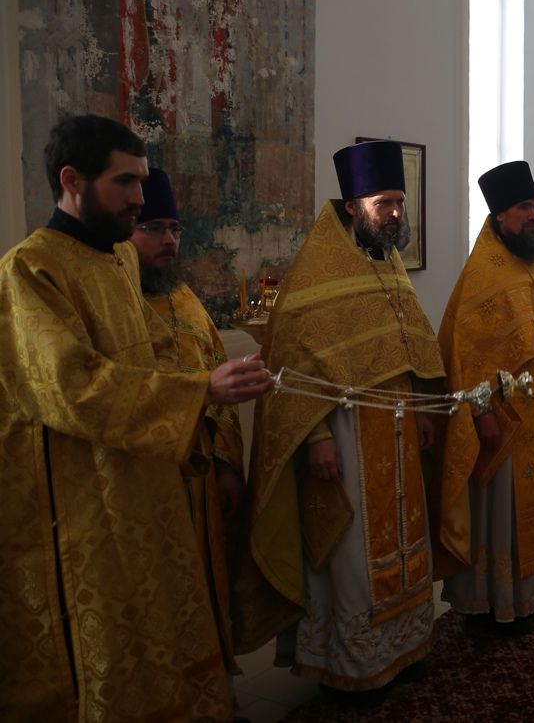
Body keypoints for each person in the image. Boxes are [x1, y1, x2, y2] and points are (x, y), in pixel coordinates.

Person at [0, 114, 272, 720]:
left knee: (164, 636)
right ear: (72, 180)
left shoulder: (121, 259)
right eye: (124, 182)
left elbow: (147, 360)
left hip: (146, 482)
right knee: (112, 650)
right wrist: (200, 390)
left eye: (141, 182)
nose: (139, 198)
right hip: (83, 501)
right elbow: (72, 387)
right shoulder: (30, 270)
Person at [234, 140, 452, 697]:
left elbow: (407, 347)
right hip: (347, 436)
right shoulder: (316, 273)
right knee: (356, 555)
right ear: (353, 207)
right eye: (384, 204)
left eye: (399, 202)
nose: (395, 213)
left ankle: (406, 645)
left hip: (399, 429)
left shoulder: (389, 263)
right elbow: (295, 367)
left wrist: (422, 409)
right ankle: (356, 665)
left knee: (407, 539)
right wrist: (316, 438)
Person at [438, 161, 534, 627]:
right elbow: (464, 355)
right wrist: (480, 413)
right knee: (501, 513)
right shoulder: (484, 274)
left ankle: (533, 595)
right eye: (524, 207)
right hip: (504, 421)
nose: (533, 216)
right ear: (500, 213)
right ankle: (493, 602)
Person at [130, 167, 246, 687]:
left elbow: (220, 379)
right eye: (153, 228)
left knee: (204, 585)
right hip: (147, 480)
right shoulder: (115, 306)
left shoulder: (185, 300)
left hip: (199, 478)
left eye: (174, 229)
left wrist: (226, 465)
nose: (168, 241)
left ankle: (214, 697)